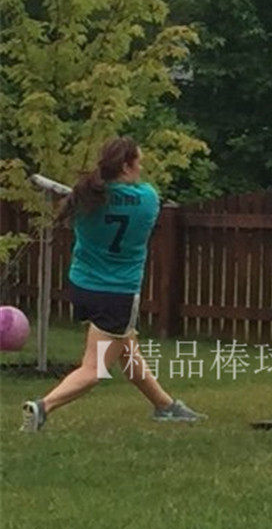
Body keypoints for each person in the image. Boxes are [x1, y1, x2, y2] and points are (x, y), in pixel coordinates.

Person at [20, 137, 206, 432]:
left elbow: (94, 198)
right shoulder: (147, 199)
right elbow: (127, 197)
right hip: (117, 294)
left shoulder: (85, 197)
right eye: (138, 163)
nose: (141, 168)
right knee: (95, 368)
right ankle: (43, 406)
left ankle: (165, 406)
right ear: (126, 166)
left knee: (127, 348)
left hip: (82, 287)